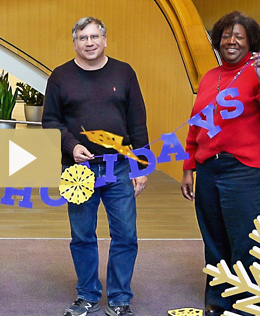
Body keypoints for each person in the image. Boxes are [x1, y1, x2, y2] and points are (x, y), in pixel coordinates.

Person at [180, 11, 260, 316]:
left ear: (251, 42)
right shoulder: (210, 76)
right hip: (209, 167)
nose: (231, 41)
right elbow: (197, 125)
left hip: (248, 169)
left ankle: (249, 308)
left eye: (239, 36)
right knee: (214, 239)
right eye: (226, 36)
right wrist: (188, 166)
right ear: (217, 41)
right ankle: (219, 303)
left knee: (244, 240)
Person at [43, 16, 149, 316]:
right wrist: (70, 145)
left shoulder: (124, 73)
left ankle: (119, 298)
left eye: (94, 37)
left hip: (119, 168)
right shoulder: (60, 76)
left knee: (126, 235)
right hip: (77, 172)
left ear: (104, 40)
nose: (89, 43)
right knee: (82, 235)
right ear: (74, 42)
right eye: (82, 38)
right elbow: (50, 121)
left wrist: (142, 166)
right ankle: (87, 295)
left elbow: (137, 123)